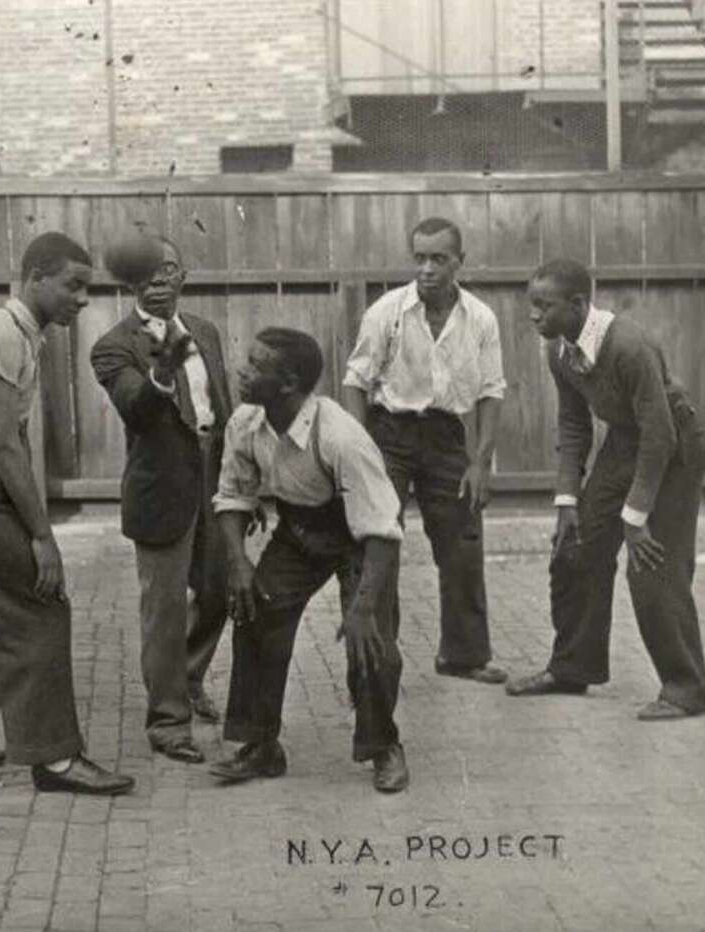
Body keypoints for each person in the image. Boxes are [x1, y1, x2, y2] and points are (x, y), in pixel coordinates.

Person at [0, 232, 134, 795]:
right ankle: (55, 759)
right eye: (73, 285)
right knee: (40, 605)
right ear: (35, 276)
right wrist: (42, 536)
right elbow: (5, 446)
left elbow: (8, 441)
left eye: (86, 287)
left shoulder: (21, 334)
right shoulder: (0, 336)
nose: (82, 298)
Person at [209, 328, 409, 792]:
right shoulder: (244, 422)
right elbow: (232, 496)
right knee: (255, 613)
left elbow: (382, 528)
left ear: (289, 383)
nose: (242, 369)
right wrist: (238, 563)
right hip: (299, 531)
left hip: (362, 538)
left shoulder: (341, 436)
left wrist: (362, 608)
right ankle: (260, 746)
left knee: (370, 639)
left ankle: (383, 746)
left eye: (256, 365)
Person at [507, 259, 705, 719]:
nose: (533, 316)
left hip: (675, 446)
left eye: (544, 306)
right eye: (531, 305)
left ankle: (687, 686)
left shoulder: (629, 346)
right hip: (626, 440)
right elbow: (574, 424)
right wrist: (567, 501)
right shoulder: (560, 351)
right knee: (574, 549)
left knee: (651, 564)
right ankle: (572, 668)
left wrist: (635, 518)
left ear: (578, 304)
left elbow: (660, 436)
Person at [342, 216, 508, 685]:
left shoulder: (480, 318)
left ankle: (464, 654)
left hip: (447, 437)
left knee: (463, 543)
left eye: (439, 258)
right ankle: (376, 658)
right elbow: (356, 381)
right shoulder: (387, 312)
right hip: (388, 435)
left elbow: (491, 391)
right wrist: (361, 450)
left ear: (460, 261)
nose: (428, 269)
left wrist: (480, 462)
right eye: (420, 258)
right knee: (379, 543)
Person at [89, 235, 232, 764]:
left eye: (168, 270)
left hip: (216, 485)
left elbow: (226, 409)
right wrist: (164, 372)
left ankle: (188, 679)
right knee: (164, 611)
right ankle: (169, 723)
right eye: (148, 274)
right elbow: (136, 408)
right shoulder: (113, 345)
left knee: (220, 591)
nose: (159, 281)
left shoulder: (206, 331)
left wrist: (245, 485)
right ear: (130, 283)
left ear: (182, 275)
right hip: (161, 492)